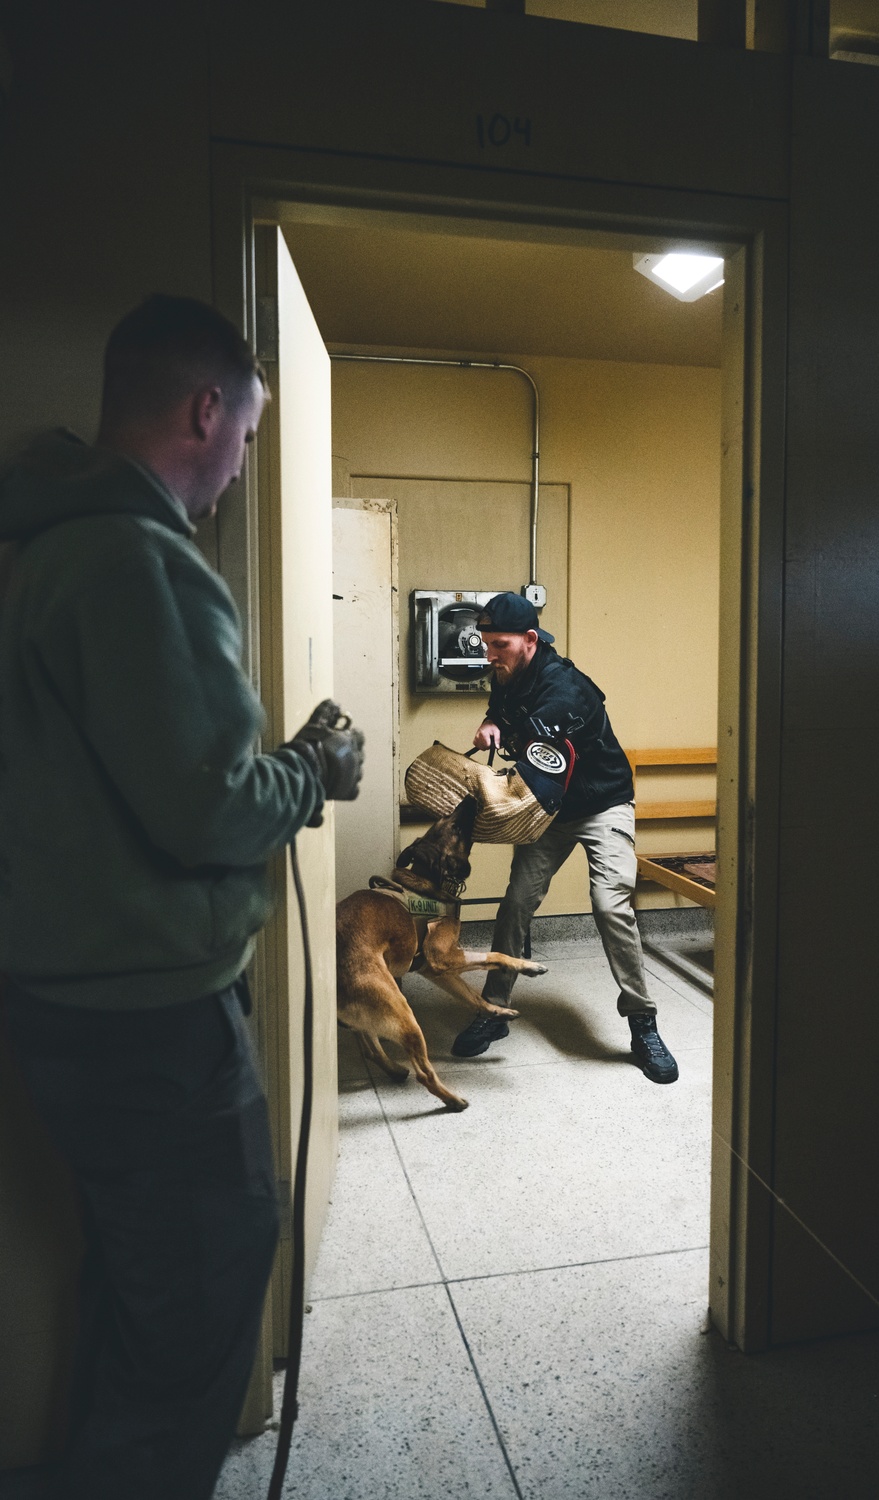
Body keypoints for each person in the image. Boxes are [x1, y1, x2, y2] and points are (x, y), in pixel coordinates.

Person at [0, 295, 363, 1500]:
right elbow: (209, 808)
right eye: (250, 438)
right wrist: (312, 771)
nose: (243, 466)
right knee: (206, 1288)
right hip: (152, 1021)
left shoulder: (40, 542)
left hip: (69, 999)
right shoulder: (133, 559)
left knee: (147, 1286)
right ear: (207, 409)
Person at [450, 592, 678, 1085]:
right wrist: (491, 719)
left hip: (602, 805)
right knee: (515, 904)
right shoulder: (508, 670)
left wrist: (502, 743)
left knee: (609, 903)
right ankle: (494, 1008)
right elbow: (502, 706)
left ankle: (643, 1023)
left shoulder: (568, 691)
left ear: (530, 641)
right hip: (549, 806)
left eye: (500, 645)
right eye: (486, 644)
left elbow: (532, 739)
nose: (490, 655)